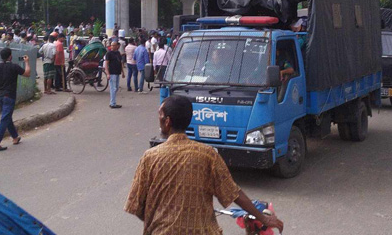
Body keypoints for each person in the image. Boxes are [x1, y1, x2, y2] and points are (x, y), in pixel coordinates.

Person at [125, 95, 284, 234]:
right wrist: (264, 218)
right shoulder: (207, 155)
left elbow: (136, 205)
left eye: (159, 115)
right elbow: (234, 193)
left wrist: (161, 219)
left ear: (167, 122)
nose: (158, 119)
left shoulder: (150, 157)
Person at [0, 47, 31, 152]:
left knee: (7, 117)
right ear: (10, 56)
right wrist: (26, 62)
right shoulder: (14, 67)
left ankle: (15, 137)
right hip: (9, 96)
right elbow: (27, 74)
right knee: (5, 118)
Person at [104, 41, 125, 109]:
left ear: (117, 46)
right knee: (113, 88)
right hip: (112, 73)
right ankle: (112, 103)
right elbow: (106, 64)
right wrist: (107, 73)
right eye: (111, 45)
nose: (112, 46)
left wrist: (123, 72)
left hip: (117, 72)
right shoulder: (109, 53)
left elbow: (120, 63)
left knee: (115, 88)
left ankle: (113, 102)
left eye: (114, 45)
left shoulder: (118, 53)